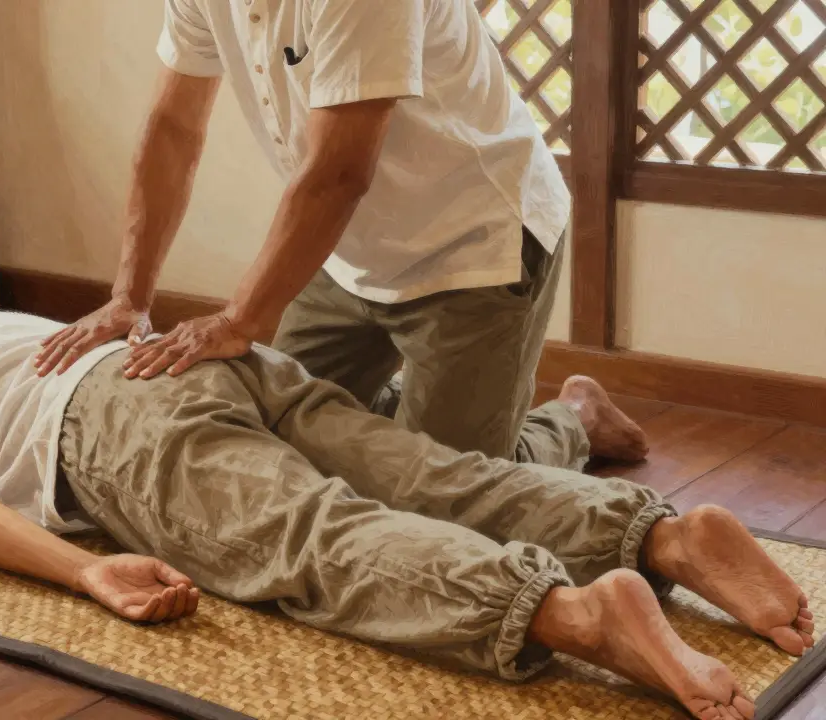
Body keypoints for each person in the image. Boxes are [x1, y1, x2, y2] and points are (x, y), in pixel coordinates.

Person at [0, 279, 814, 720]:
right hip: (190, 358)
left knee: (318, 540)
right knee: (424, 471)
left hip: (118, 432)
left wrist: (84, 568)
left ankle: (571, 613)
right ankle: (665, 539)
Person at [34, 0, 650, 472]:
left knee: (443, 498)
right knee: (276, 441)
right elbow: (173, 126)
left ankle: (574, 418)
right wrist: (130, 298)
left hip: (474, 241)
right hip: (346, 249)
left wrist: (237, 321)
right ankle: (432, 399)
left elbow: (337, 174)